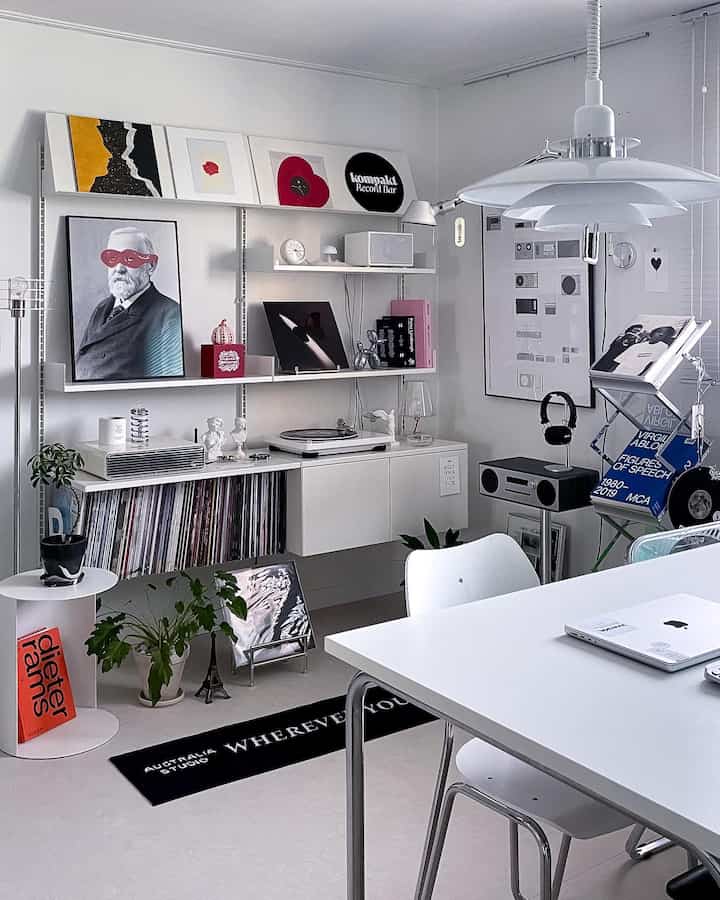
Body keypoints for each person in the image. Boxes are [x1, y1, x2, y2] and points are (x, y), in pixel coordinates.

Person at [75, 226, 183, 381]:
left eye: (130, 259)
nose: (119, 268)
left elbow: (168, 382)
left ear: (150, 265)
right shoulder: (102, 308)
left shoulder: (169, 315)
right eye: (112, 258)